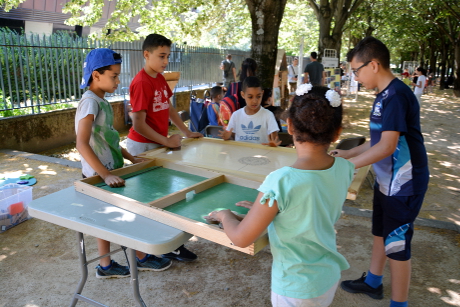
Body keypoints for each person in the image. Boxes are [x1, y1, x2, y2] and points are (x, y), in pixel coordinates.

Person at [207, 84, 353, 306]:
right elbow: (307, 206)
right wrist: (263, 213)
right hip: (328, 276)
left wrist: (225, 215)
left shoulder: (281, 180)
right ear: (337, 132)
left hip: (295, 287)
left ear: (290, 126)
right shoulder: (345, 168)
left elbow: (241, 238)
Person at [331, 36, 429, 307]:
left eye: (356, 70)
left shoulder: (397, 96)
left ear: (373, 65)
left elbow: (387, 147)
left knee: (396, 246)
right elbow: (378, 141)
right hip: (387, 181)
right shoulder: (383, 95)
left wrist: (346, 166)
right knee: (380, 232)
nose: (356, 76)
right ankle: (373, 282)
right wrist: (348, 153)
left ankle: (399, 304)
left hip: (404, 184)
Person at [75, 48, 156, 278]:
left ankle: (106, 265)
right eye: (114, 76)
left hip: (111, 173)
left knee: (107, 220)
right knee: (125, 216)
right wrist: (105, 175)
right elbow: (81, 143)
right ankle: (141, 257)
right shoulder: (90, 103)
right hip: (100, 177)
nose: (118, 81)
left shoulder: (102, 102)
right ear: (96, 75)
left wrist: (131, 157)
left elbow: (108, 140)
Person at [126, 33, 202, 262]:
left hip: (158, 143)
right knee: (148, 199)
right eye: (161, 56)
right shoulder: (140, 82)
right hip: (143, 146)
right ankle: (147, 248)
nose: (165, 61)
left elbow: (168, 107)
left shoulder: (159, 77)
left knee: (166, 194)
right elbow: (137, 124)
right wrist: (166, 141)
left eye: (167, 56)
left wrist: (186, 131)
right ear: (146, 55)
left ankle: (168, 243)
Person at [218, 76, 280, 146]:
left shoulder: (268, 115)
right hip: (240, 154)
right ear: (243, 95)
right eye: (250, 97)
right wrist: (227, 137)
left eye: (258, 96)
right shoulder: (236, 115)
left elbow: (275, 139)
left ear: (262, 93)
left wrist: (273, 145)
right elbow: (232, 138)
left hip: (261, 155)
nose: (255, 101)